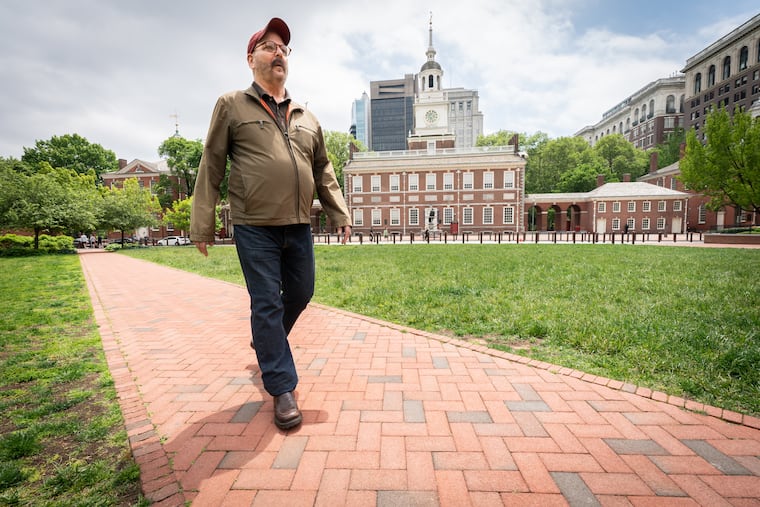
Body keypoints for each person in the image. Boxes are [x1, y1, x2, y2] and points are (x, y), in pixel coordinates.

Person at [190, 17, 351, 430]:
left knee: (301, 291)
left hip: (298, 224)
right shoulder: (231, 105)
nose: (278, 52)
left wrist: (339, 212)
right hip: (253, 225)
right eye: (268, 46)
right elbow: (211, 162)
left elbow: (323, 168)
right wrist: (202, 223)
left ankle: (266, 339)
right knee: (267, 302)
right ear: (251, 59)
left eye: (283, 48)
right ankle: (282, 389)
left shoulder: (307, 117)